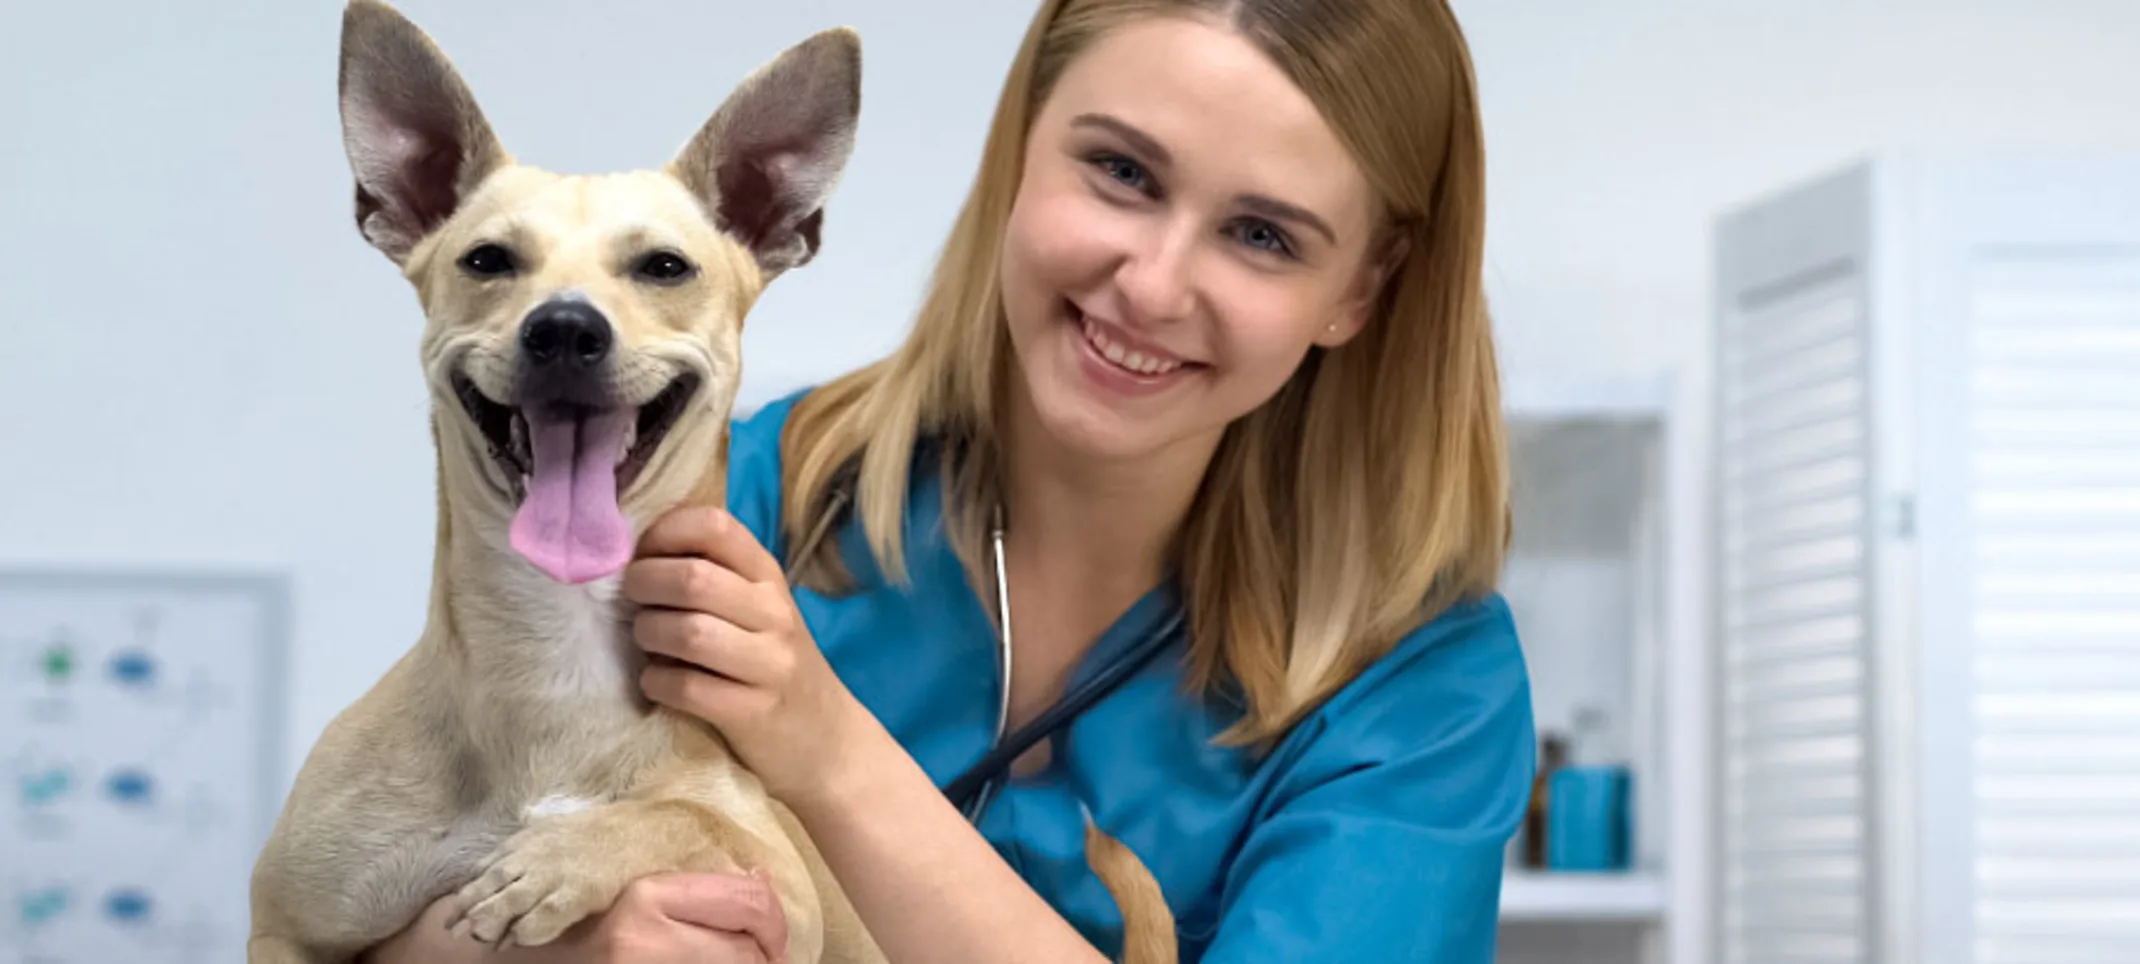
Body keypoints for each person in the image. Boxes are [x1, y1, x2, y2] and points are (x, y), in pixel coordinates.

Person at [370, 0, 1534, 960]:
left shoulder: (1422, 690)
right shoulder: (729, 498)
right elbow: (377, 892)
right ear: (1017, 147)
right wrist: (529, 949)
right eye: (1121, 171)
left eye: (1263, 236)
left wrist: (827, 749)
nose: (1152, 283)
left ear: (1360, 289)